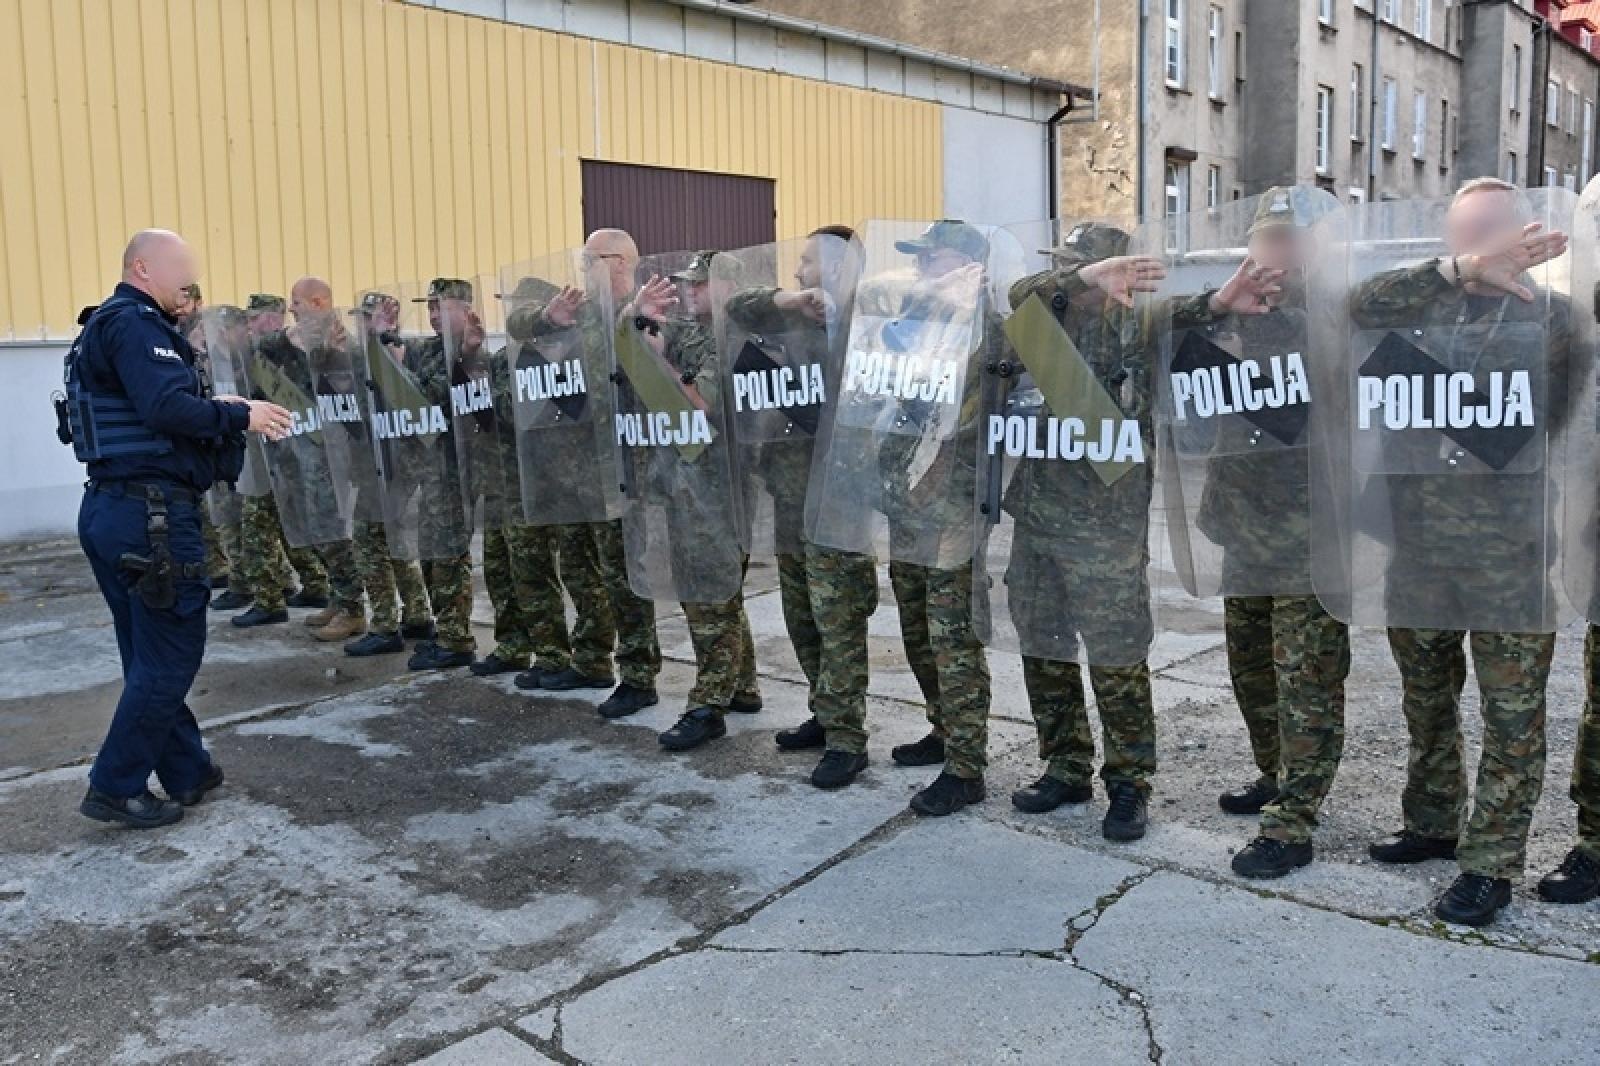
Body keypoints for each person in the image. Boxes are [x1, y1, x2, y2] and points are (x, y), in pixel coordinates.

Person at [1351, 178, 1572, 926]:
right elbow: (1353, 307)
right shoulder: (1418, 302)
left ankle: (1491, 864)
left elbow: (1564, 420)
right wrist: (1454, 273)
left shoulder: (1555, 319)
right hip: (1417, 550)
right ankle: (1433, 822)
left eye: (1488, 230)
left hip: (1509, 556)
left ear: (1525, 235)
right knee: (1426, 699)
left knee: (1512, 715)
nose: (1473, 243)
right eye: (1461, 232)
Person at [68, 229, 290, 828]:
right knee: (169, 655)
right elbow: (165, 408)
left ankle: (186, 769)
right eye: (182, 272)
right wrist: (240, 414)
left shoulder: (110, 324)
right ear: (143, 268)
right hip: (152, 519)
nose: (190, 284)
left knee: (149, 654)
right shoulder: (135, 324)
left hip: (118, 509)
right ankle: (115, 785)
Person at [999, 222, 1167, 841]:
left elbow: (1197, 314)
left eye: (1081, 264)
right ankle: (1065, 764)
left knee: (1117, 655)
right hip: (1039, 516)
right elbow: (1019, 293)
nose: (1067, 274)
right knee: (1043, 645)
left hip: (1106, 527)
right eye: (1066, 266)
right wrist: (1078, 280)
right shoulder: (1047, 320)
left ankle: (1129, 781)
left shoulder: (1143, 329)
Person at [723, 227, 881, 788]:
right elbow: (735, 307)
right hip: (789, 495)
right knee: (802, 615)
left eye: (808, 263)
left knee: (838, 621)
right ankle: (824, 711)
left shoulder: (870, 322)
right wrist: (792, 301)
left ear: (838, 267)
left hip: (839, 501)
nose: (797, 271)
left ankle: (848, 739)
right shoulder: (789, 318)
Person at [505, 229, 662, 716]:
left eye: (590, 259)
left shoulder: (646, 307)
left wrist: (639, 323)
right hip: (575, 471)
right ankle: (592, 658)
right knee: (579, 567)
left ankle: (639, 675)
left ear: (619, 262)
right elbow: (516, 325)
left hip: (626, 468)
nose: (582, 269)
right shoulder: (583, 311)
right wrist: (547, 318)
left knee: (624, 575)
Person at [624, 252, 762, 751]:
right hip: (685, 483)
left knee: (709, 594)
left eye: (700, 285)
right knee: (717, 591)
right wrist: (640, 321)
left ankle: (708, 704)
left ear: (729, 287)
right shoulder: (693, 333)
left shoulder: (734, 338)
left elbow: (696, 405)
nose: (689, 292)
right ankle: (741, 685)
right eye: (688, 284)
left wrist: (659, 359)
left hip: (717, 488)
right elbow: (635, 352)